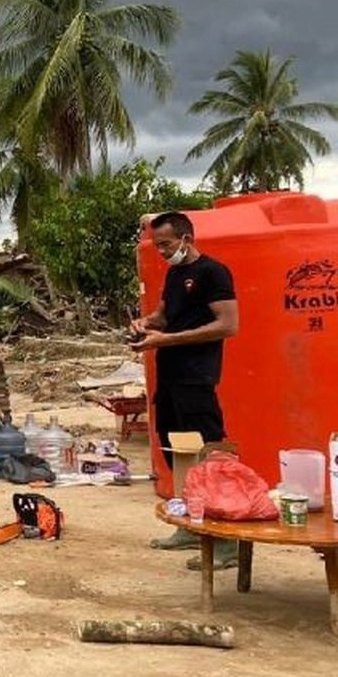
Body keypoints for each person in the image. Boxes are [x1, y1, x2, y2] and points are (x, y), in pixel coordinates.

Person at [130, 211, 239, 568]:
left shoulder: (213, 272)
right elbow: (164, 316)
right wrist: (145, 323)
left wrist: (169, 339)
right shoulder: (176, 274)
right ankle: (191, 525)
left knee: (211, 451)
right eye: (157, 245)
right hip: (171, 375)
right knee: (179, 450)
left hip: (196, 375)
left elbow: (227, 325)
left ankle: (226, 539)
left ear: (186, 239)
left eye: (166, 244)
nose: (161, 251)